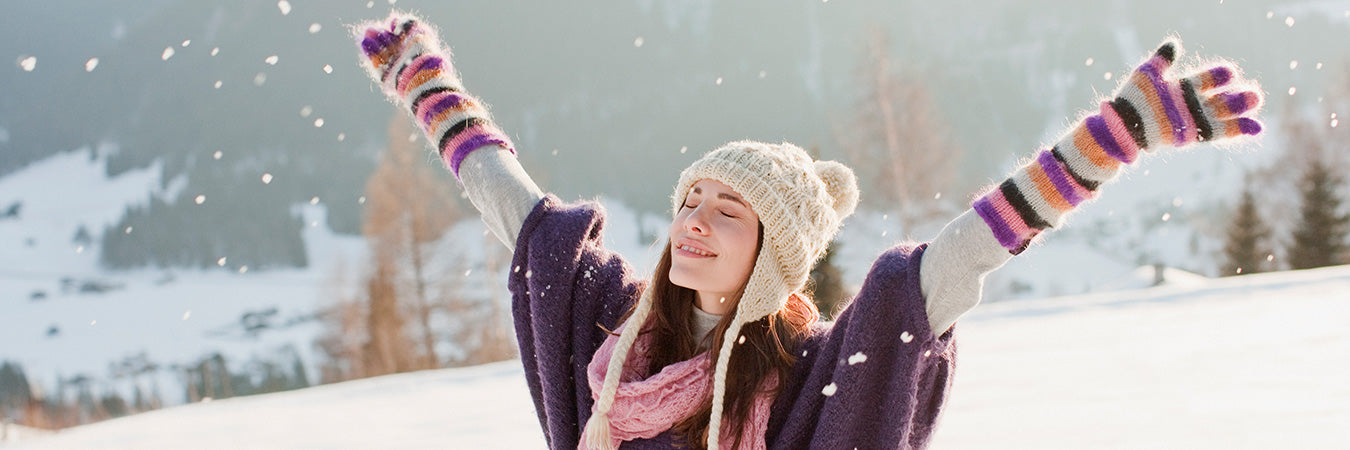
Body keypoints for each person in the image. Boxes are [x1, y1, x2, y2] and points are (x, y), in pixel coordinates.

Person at [355, 12, 1264, 450]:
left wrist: (1107, 144)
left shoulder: (813, 374)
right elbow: (526, 223)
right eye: (691, 200)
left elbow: (944, 270)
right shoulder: (612, 335)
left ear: (773, 256)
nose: (696, 225)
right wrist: (431, 90)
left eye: (729, 211)